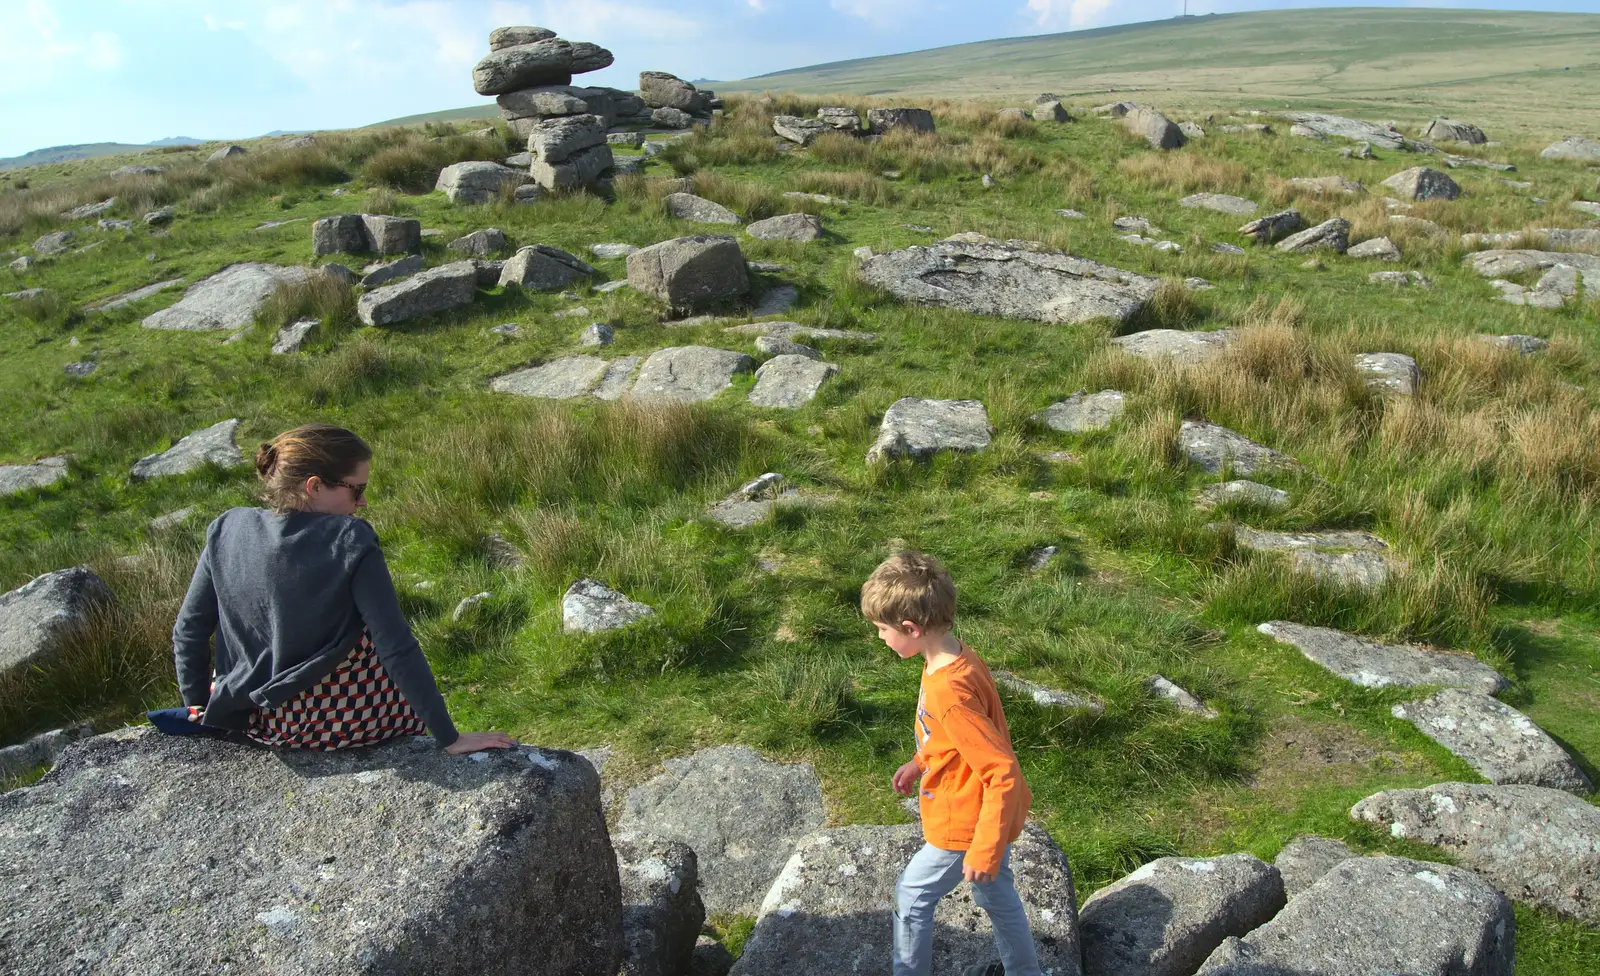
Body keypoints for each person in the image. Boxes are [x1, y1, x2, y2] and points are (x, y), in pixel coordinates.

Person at [167, 423, 514, 755]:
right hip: (332, 722)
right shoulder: (350, 538)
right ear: (314, 486)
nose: (362, 503)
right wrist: (448, 737)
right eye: (357, 489)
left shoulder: (226, 527)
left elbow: (189, 630)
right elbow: (395, 646)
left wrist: (199, 710)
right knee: (365, 628)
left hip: (251, 716)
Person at [863, 551, 1039, 976]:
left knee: (912, 897)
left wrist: (984, 847)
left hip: (964, 821)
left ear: (911, 628)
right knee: (996, 897)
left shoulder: (949, 691)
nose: (881, 638)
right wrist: (923, 759)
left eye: (883, 630)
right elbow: (954, 736)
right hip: (975, 810)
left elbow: (1002, 773)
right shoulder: (953, 656)